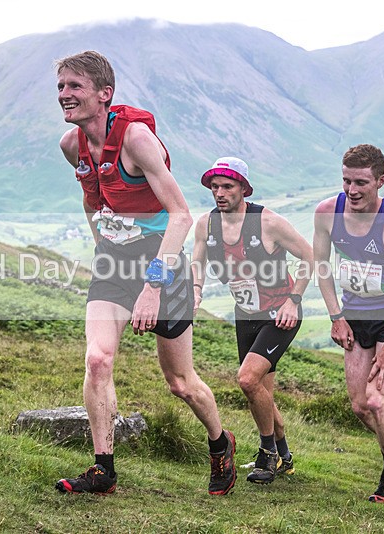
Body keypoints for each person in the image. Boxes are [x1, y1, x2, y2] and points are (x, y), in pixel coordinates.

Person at [54, 50, 236, 496]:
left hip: (162, 261)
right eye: (61, 87)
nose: (64, 95)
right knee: (98, 360)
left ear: (105, 94)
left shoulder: (136, 139)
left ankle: (220, 443)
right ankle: (103, 470)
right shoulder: (71, 145)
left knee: (180, 383)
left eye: (75, 86)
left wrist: (153, 286)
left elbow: (181, 215)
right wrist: (102, 246)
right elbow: (91, 198)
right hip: (115, 263)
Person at [312, 143, 384, 502]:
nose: (352, 190)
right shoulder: (327, 212)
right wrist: (336, 317)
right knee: (361, 406)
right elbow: (322, 268)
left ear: (380, 181)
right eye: (346, 181)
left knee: (377, 402)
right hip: (355, 315)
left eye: (361, 182)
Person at [191, 157, 313, 484]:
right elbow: (197, 263)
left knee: (247, 379)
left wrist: (294, 300)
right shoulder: (206, 225)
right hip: (245, 313)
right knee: (259, 392)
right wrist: (196, 291)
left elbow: (309, 255)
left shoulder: (268, 222)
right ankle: (284, 456)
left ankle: (267, 454)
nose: (219, 193)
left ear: (244, 188)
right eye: (214, 187)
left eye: (227, 186)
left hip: (280, 315)